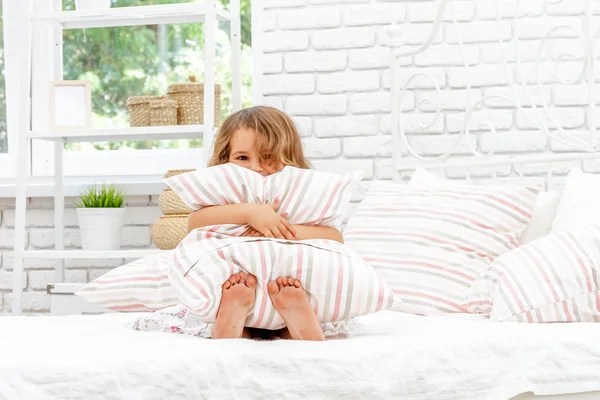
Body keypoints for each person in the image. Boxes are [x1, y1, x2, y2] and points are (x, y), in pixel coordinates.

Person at [187, 106, 343, 341]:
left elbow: (335, 239)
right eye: (242, 158)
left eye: (268, 156)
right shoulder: (225, 194)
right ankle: (235, 319)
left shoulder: (299, 194)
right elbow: (194, 224)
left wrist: (283, 231)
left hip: (287, 284)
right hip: (237, 284)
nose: (256, 167)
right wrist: (249, 212)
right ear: (224, 159)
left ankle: (294, 321)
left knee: (297, 292)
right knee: (228, 296)